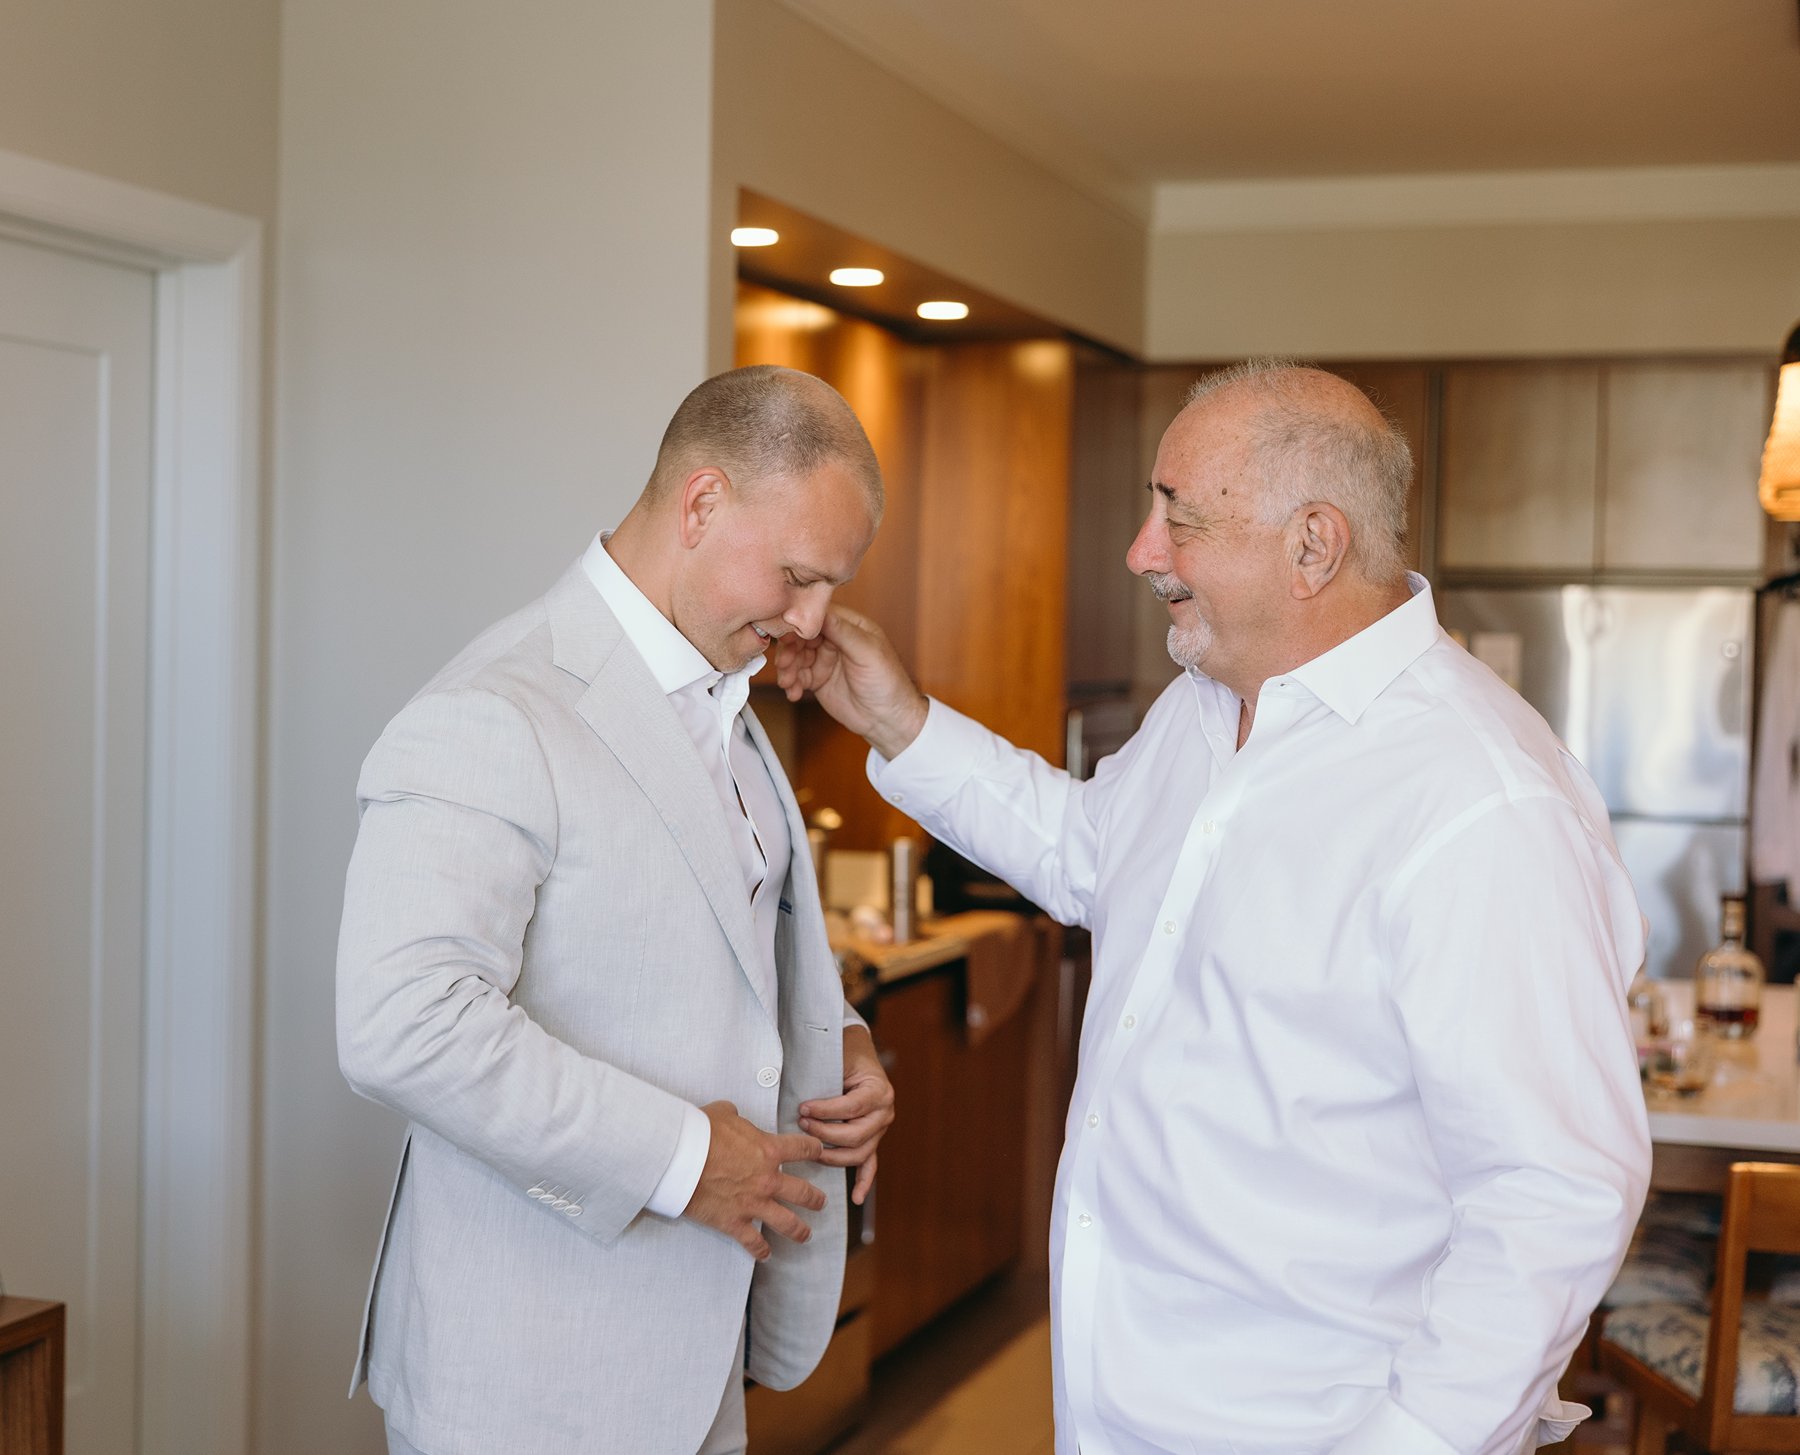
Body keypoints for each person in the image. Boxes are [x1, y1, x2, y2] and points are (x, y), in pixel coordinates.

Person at [777, 361, 1650, 1455]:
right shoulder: (1202, 712)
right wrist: (898, 719)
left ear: (1313, 545)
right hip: (1122, 1414)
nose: (1142, 551)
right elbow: (1088, 851)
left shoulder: (1480, 799)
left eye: (1177, 516)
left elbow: (1554, 1192)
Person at [337, 364, 897, 1455]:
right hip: (534, 1382)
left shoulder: (727, 703)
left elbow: (726, 948)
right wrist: (687, 1158)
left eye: (829, 586)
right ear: (702, 502)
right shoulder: (494, 711)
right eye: (796, 576)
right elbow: (402, 1023)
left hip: (695, 1360)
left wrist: (842, 1043)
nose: (812, 619)